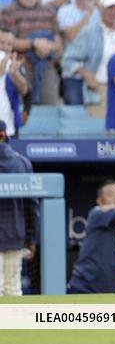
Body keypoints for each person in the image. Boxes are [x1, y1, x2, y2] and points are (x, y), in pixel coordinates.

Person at [60, 0, 115, 117]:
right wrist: (86, 73)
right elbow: (67, 59)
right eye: (109, 8)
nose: (113, 12)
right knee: (99, 127)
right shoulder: (89, 33)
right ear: (101, 9)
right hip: (100, 89)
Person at [0, 121, 37, 296]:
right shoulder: (22, 163)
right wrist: (31, 237)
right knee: (12, 289)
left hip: (14, 236)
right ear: (4, 134)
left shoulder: (22, 162)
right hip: (15, 236)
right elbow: (32, 206)